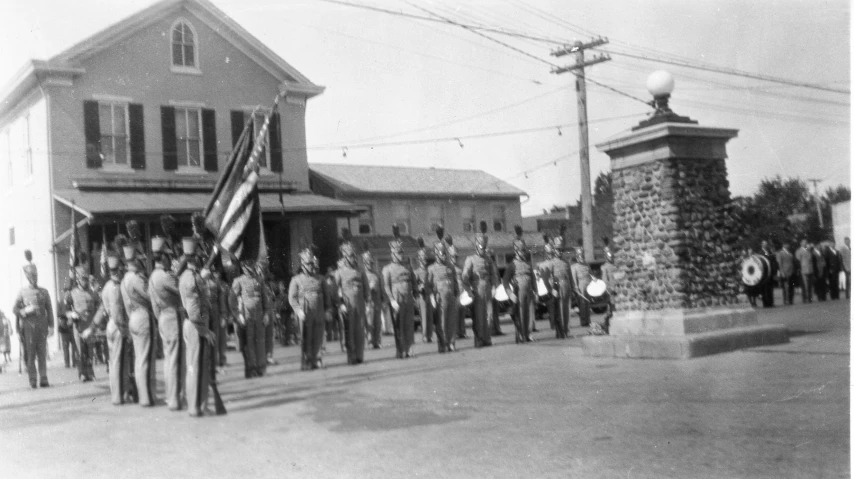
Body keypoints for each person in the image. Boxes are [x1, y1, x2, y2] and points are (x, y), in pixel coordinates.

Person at [178, 237, 216, 417]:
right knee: (195, 366)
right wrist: (204, 330)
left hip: (193, 325)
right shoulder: (192, 279)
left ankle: (199, 405)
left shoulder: (189, 276)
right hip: (196, 325)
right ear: (197, 257)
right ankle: (195, 406)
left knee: (197, 365)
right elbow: (193, 310)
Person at [97, 250, 136, 405]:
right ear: (117, 269)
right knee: (119, 363)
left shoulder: (107, 285)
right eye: (120, 268)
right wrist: (126, 331)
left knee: (115, 362)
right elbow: (118, 313)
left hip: (111, 326)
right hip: (118, 326)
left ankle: (119, 394)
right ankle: (120, 395)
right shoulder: (115, 287)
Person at [150, 236, 184, 410]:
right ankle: (175, 399)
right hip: (172, 316)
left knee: (168, 359)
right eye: (167, 256)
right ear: (163, 256)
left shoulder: (152, 276)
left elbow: (154, 304)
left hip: (163, 317)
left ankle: (172, 397)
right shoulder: (165, 276)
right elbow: (182, 289)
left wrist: (160, 317)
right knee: (175, 360)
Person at [121, 241, 156, 407]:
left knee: (138, 359)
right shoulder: (136, 278)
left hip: (133, 317)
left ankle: (143, 395)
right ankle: (146, 397)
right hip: (142, 316)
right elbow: (150, 295)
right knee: (144, 359)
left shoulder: (124, 279)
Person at [13, 250, 54, 388]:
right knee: (30, 354)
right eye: (31, 277)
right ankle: (32, 379)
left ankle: (43, 378)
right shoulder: (22, 292)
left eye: (35, 276)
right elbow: (15, 309)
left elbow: (49, 309)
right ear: (27, 277)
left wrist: (52, 326)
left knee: (42, 353)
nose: (34, 279)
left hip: (42, 325)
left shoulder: (44, 291)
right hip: (29, 326)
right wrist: (24, 311)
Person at [289, 244, 329, 370]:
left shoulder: (320, 278)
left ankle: (317, 359)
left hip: (319, 311)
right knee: (306, 337)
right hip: (305, 311)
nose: (310, 266)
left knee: (318, 336)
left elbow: (326, 295)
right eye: (307, 264)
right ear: (302, 264)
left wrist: (328, 310)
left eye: (311, 263)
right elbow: (292, 298)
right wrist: (298, 310)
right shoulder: (296, 279)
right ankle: (307, 360)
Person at [382, 227, 417, 358]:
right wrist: (391, 300)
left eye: (401, 253)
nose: (400, 255)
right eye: (397, 253)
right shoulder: (387, 269)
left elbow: (413, 281)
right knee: (399, 326)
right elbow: (386, 286)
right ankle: (400, 350)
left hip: (408, 298)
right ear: (392, 254)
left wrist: (416, 295)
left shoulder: (408, 267)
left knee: (409, 325)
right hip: (397, 299)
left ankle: (409, 349)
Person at [462, 221, 498, 348]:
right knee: (479, 317)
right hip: (477, 290)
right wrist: (468, 290)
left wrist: (494, 287)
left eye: (485, 247)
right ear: (476, 246)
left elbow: (494, 274)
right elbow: (465, 277)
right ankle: (479, 340)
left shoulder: (488, 259)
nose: (483, 249)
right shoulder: (470, 259)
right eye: (481, 247)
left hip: (487, 288)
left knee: (489, 316)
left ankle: (487, 338)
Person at [336, 231, 370, 363]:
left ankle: (359, 355)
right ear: (344, 257)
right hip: (348, 304)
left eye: (354, 256)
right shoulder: (340, 272)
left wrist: (367, 302)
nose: (352, 258)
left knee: (360, 330)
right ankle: (351, 356)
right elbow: (336, 290)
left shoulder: (360, 270)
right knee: (349, 331)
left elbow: (366, 287)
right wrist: (340, 304)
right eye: (350, 256)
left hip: (360, 304)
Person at [232, 259, 270, 378]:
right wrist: (238, 315)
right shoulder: (238, 281)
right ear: (243, 269)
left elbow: (265, 298)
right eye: (247, 268)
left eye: (251, 268)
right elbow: (232, 300)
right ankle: (251, 369)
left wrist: (267, 313)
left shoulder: (259, 280)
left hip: (259, 316)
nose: (250, 270)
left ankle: (261, 368)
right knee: (249, 344)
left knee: (260, 343)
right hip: (246, 317)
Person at [65, 263, 99, 382]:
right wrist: (71, 314)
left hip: (89, 325)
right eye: (82, 279)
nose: (85, 281)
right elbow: (66, 310)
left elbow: (98, 307)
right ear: (78, 279)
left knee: (90, 350)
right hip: (78, 325)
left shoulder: (93, 293)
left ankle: (91, 372)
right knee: (80, 350)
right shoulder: (72, 293)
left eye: (86, 279)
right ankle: (82, 373)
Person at [503, 226, 535, 344]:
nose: (523, 253)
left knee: (529, 314)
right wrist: (510, 293)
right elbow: (505, 281)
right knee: (520, 314)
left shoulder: (528, 264)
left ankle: (528, 334)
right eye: (521, 251)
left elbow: (533, 278)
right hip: (518, 291)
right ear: (516, 251)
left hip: (529, 291)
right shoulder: (511, 265)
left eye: (524, 250)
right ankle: (521, 334)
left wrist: (536, 292)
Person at [540, 233, 573, 339]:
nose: (560, 252)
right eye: (558, 250)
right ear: (554, 250)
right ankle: (561, 331)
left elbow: (570, 276)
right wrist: (550, 289)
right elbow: (545, 277)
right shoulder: (551, 263)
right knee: (560, 310)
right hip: (557, 288)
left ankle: (566, 330)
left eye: (561, 250)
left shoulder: (566, 262)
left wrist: (572, 288)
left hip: (566, 286)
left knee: (567, 309)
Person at [427, 235, 457, 352]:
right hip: (440, 298)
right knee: (442, 322)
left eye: (445, 254)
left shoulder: (450, 266)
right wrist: (432, 298)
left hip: (451, 296)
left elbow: (455, 282)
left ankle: (452, 342)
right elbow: (428, 286)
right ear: (436, 254)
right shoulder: (431, 268)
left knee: (451, 321)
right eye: (441, 254)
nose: (443, 256)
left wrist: (457, 295)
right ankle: (443, 343)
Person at [362, 244, 384, 350]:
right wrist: (370, 288)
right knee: (369, 323)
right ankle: (370, 341)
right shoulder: (362, 275)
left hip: (377, 302)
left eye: (371, 262)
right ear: (364, 263)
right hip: (368, 303)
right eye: (367, 263)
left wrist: (384, 300)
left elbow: (381, 288)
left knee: (378, 323)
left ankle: (377, 341)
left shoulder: (377, 274)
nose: (369, 265)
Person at [413, 238, 434, 344]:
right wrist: (418, 287)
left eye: (425, 259)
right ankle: (425, 335)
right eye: (421, 259)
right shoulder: (416, 272)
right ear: (418, 260)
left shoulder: (430, 271)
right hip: (422, 296)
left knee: (430, 316)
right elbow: (413, 286)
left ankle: (430, 335)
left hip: (430, 295)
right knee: (424, 317)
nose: (423, 261)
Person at [595, 245, 618, 335]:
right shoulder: (604, 267)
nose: (610, 256)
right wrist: (609, 290)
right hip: (611, 290)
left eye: (611, 255)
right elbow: (605, 280)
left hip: (617, 289)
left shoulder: (614, 265)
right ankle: (609, 326)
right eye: (608, 255)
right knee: (612, 308)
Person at [570, 247, 592, 327]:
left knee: (588, 304)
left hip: (588, 286)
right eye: (579, 256)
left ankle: (588, 319)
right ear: (577, 257)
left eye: (582, 255)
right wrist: (576, 287)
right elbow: (574, 278)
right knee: (582, 304)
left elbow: (590, 275)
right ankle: (583, 321)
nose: (581, 257)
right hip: (580, 285)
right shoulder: (574, 267)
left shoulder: (587, 265)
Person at [56, 290, 78, 369]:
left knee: (74, 346)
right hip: (64, 327)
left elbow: (76, 312)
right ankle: (67, 364)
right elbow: (58, 314)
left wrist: (72, 316)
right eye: (67, 294)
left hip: (72, 327)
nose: (68, 296)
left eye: (70, 294)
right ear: (64, 294)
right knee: (65, 347)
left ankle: (75, 362)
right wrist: (66, 314)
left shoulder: (73, 303)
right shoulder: (60, 303)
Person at [759, 240, 778, 308]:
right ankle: (766, 303)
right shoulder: (760, 252)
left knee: (770, 289)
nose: (766, 245)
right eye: (764, 244)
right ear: (762, 245)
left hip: (770, 273)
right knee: (764, 289)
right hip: (764, 274)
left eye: (766, 244)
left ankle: (771, 302)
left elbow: (773, 259)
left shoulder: (769, 252)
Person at [795, 239, 814, 303]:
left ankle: (809, 297)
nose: (805, 244)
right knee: (805, 284)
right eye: (804, 243)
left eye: (806, 243)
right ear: (801, 243)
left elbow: (810, 259)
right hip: (804, 269)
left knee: (810, 284)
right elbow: (798, 260)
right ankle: (805, 298)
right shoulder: (799, 251)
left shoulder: (808, 250)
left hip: (810, 269)